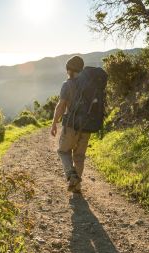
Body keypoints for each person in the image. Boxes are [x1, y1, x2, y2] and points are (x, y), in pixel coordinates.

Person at [50, 56, 91, 193]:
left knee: (63, 151)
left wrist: (54, 123)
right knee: (79, 157)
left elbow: (61, 106)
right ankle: (77, 187)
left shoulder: (67, 85)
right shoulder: (89, 84)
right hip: (87, 126)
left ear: (68, 69)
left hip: (71, 126)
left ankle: (72, 176)